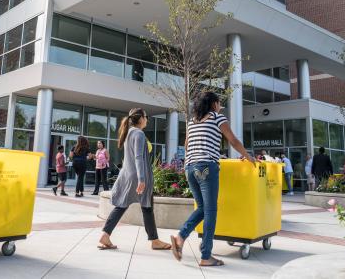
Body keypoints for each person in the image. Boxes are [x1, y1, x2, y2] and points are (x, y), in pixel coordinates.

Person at [170, 92, 256, 267]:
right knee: (210, 211)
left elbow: (186, 145)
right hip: (206, 166)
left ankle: (180, 237)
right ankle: (206, 256)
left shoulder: (191, 121)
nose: (220, 106)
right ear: (214, 104)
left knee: (202, 208)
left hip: (190, 167)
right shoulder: (218, 118)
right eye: (219, 103)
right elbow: (232, 140)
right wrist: (247, 156)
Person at [98, 108, 171, 251]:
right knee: (147, 207)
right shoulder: (138, 133)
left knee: (123, 205)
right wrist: (142, 179)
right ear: (141, 119)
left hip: (128, 175)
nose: (147, 119)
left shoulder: (129, 133)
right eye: (146, 116)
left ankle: (105, 235)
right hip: (138, 176)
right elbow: (138, 157)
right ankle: (154, 241)